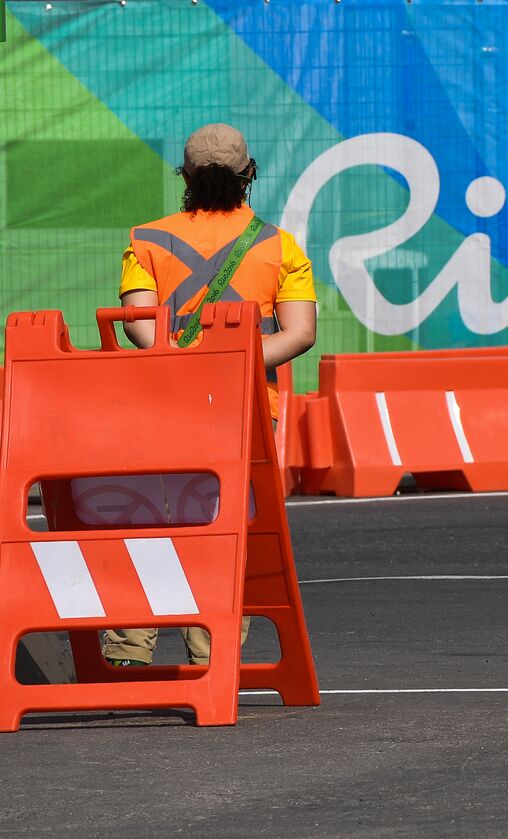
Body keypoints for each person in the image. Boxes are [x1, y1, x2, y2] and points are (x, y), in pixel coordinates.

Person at [102, 123, 318, 667]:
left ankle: (128, 652)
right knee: (220, 530)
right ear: (249, 174)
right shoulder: (279, 246)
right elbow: (300, 333)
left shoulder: (146, 239)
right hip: (241, 409)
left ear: (187, 176)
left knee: (145, 520)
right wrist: (228, 364)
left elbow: (137, 324)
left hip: (159, 403)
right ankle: (210, 656)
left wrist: (182, 360)